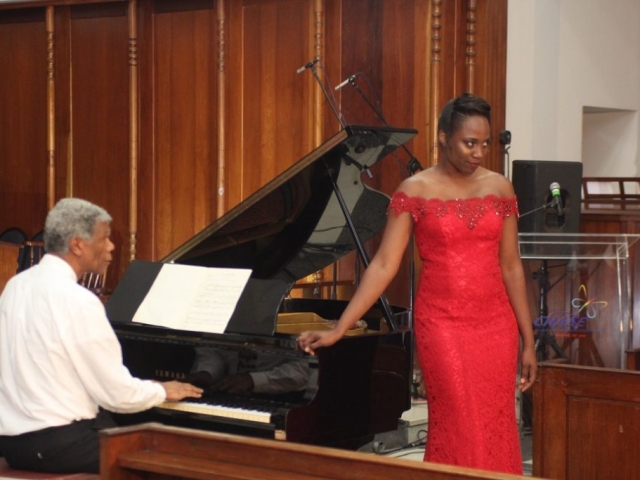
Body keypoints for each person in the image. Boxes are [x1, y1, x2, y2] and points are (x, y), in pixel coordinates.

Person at [298, 93, 537, 475]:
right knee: (461, 422)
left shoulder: (500, 188)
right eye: (469, 143)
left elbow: (511, 267)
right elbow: (383, 265)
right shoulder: (415, 190)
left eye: (485, 143)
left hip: (495, 326)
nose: (479, 152)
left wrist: (528, 339)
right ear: (444, 137)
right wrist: (340, 326)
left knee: (495, 425)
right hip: (441, 325)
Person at [0, 198, 203, 474]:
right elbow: (116, 395)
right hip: (60, 446)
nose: (111, 247)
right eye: (105, 238)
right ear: (77, 245)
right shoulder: (78, 300)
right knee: (171, 460)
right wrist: (162, 390)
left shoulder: (16, 285)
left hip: (13, 445)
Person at [188, 346, 313, 395]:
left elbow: (306, 369)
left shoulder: (299, 321)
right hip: (225, 391)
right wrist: (207, 373)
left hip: (281, 396)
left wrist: (253, 380)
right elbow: (214, 351)